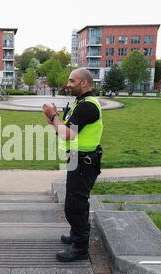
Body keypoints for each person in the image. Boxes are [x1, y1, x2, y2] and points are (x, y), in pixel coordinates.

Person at [43, 68, 103, 262]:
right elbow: (64, 130)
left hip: (84, 162)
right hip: (78, 159)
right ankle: (76, 235)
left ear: (84, 83)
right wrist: (53, 118)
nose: (67, 84)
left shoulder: (88, 106)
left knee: (75, 205)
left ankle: (80, 248)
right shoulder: (80, 102)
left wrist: (53, 116)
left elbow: (68, 133)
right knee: (73, 201)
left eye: (72, 80)